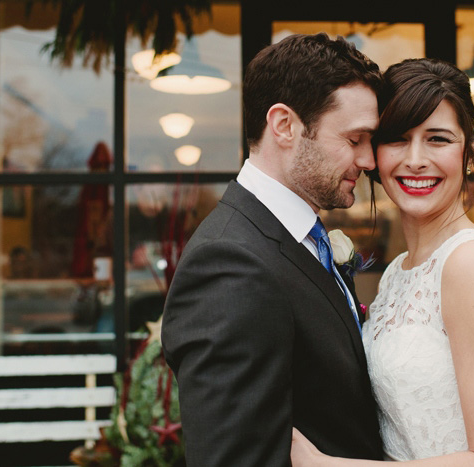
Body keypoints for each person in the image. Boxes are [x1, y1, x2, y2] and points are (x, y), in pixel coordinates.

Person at [291, 58, 474, 465]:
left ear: (468, 151)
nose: (415, 159)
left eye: (438, 139)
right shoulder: (397, 273)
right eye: (398, 139)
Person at [161, 33, 384, 466]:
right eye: (355, 139)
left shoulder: (301, 239)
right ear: (284, 125)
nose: (370, 160)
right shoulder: (229, 265)